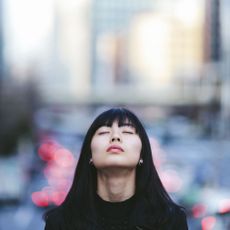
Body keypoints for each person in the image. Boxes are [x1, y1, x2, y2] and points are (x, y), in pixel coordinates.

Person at [44, 107, 188, 230]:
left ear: (142, 154)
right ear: (90, 154)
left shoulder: (170, 221)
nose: (115, 137)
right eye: (104, 132)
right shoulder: (61, 223)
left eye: (127, 132)